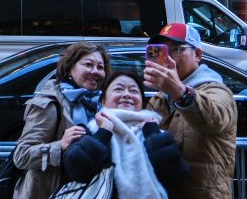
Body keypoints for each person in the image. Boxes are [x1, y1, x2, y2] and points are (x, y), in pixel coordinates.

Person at [143, 23, 237, 199]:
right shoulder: (161, 97)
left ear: (198, 55)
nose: (169, 57)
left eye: (177, 49)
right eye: (162, 50)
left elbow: (215, 119)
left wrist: (180, 92)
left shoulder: (217, 90)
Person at [62, 71, 188, 199]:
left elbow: (176, 176)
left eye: (133, 91)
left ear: (142, 103)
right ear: (103, 101)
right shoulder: (88, 131)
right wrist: (104, 131)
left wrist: (153, 135)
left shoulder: (156, 132)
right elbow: (76, 170)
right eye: (118, 89)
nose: (127, 94)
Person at [12, 42, 110, 198]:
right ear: (70, 68)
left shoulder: (102, 104)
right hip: (52, 193)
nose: (95, 71)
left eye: (100, 67)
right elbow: (21, 156)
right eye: (88, 65)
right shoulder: (50, 103)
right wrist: (60, 146)